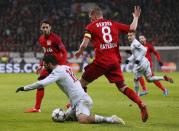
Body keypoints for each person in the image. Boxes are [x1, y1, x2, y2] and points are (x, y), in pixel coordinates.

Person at [75, 6, 149, 122]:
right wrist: (136, 17)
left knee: (81, 83)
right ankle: (141, 104)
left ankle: (76, 107)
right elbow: (132, 28)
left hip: (101, 61)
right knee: (122, 87)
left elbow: (84, 45)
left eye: (90, 18)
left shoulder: (90, 27)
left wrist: (79, 51)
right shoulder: (113, 23)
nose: (90, 20)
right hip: (114, 61)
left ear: (94, 16)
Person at [16, 55, 125, 124]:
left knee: (82, 119)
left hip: (82, 100)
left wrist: (24, 88)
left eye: (45, 66)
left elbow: (42, 83)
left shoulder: (57, 72)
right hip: (75, 103)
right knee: (64, 118)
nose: (44, 68)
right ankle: (78, 111)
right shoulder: (65, 67)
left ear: (50, 64)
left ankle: (111, 119)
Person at [25, 19, 67, 113]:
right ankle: (37, 108)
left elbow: (64, 52)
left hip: (58, 65)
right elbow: (46, 53)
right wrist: (41, 65)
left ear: (50, 28)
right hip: (48, 65)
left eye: (46, 27)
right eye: (43, 27)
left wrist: (63, 65)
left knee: (66, 84)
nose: (45, 29)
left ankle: (72, 103)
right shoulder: (41, 39)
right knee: (40, 82)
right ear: (41, 28)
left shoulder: (56, 38)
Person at [126, 30, 173, 96]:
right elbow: (136, 54)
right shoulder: (138, 45)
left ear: (145, 39)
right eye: (140, 39)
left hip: (146, 64)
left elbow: (155, 53)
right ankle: (147, 88)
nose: (141, 39)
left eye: (142, 38)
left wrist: (159, 60)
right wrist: (130, 56)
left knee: (137, 77)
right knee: (149, 79)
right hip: (143, 63)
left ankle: (162, 89)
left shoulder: (148, 46)